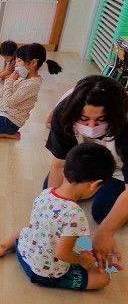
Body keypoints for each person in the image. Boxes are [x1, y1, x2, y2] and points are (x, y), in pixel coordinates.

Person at [0, 143, 116, 291]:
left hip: (22, 251)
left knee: (26, 230)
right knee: (104, 279)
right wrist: (82, 260)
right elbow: (62, 254)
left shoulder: (47, 192)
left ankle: (1, 248)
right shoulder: (76, 214)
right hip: (43, 274)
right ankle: (48, 277)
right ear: (95, 185)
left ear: (64, 170)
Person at [45, 75, 128, 264]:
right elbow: (59, 164)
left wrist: (105, 232)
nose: (91, 127)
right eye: (84, 119)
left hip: (119, 171)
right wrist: (52, 208)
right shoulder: (64, 111)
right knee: (52, 194)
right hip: (84, 161)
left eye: (100, 120)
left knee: (102, 213)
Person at [0, 43, 62, 140]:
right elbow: (6, 93)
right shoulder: (24, 78)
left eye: (19, 61)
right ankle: (4, 130)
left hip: (10, 122)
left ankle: (5, 133)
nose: (16, 65)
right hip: (5, 113)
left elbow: (9, 101)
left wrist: (10, 80)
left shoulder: (31, 84)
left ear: (33, 63)